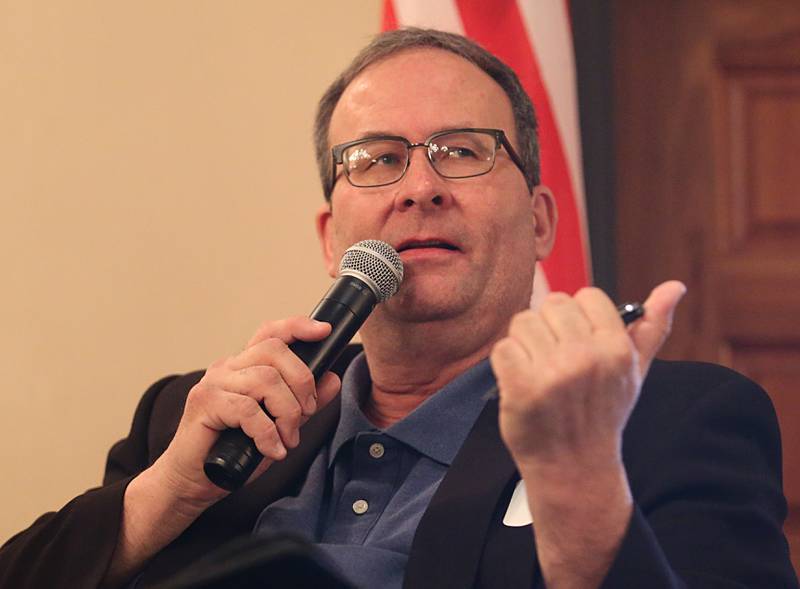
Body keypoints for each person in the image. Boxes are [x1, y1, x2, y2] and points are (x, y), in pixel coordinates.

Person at [0, 28, 796, 589]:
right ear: (330, 236)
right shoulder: (193, 423)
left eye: (462, 150)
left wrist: (580, 482)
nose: (419, 186)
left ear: (541, 219)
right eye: (377, 159)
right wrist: (165, 490)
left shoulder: (665, 421)